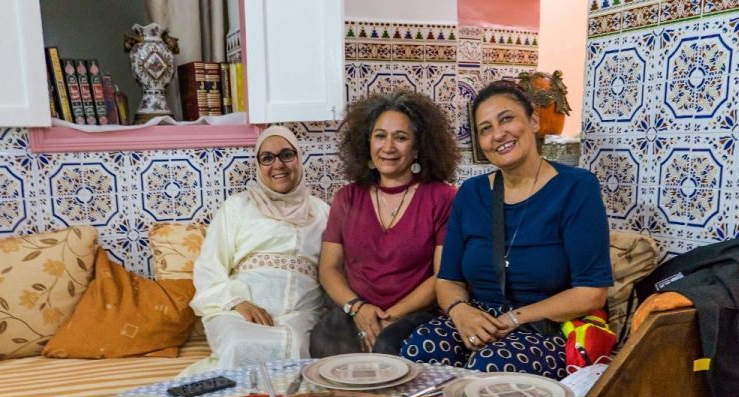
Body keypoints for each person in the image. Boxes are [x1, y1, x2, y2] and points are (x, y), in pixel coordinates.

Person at [400, 80, 613, 377]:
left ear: (534, 120)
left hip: (544, 327)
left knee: (491, 368)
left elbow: (591, 293)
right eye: (485, 129)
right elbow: (448, 279)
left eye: (507, 118)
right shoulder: (471, 193)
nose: (498, 134)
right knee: (420, 352)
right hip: (477, 317)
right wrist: (460, 311)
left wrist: (513, 319)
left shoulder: (576, 188)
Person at [309, 91, 458, 357]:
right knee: (325, 338)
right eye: (380, 136)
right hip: (356, 311)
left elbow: (442, 275)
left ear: (417, 148)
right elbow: (329, 268)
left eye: (400, 138)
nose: (388, 147)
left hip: (415, 314)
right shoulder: (347, 197)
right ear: (366, 143)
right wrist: (358, 309)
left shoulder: (442, 197)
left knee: (389, 346)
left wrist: (389, 317)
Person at [180, 125, 329, 373]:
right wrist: (237, 303)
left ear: (299, 159)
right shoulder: (237, 207)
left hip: (299, 315)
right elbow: (209, 267)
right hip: (240, 312)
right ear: (258, 166)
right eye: (267, 158)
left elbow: (336, 269)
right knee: (240, 344)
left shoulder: (322, 212)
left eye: (286, 154)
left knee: (298, 347)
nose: (278, 165)